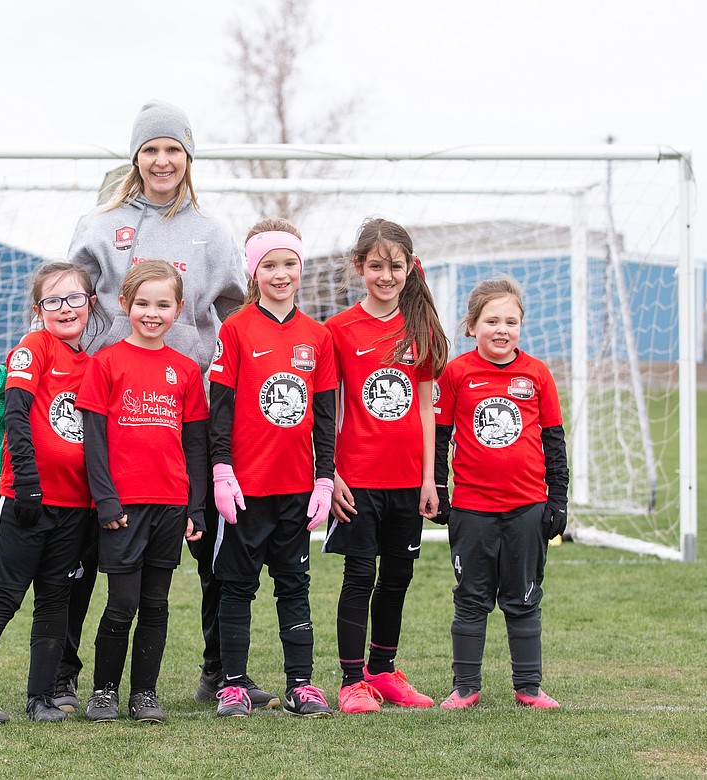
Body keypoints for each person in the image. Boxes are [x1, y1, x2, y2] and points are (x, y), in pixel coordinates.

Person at [60, 99, 275, 713]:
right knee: (87, 544)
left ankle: (220, 671)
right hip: (110, 411)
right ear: (135, 156)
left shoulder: (212, 232)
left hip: (191, 410)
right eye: (150, 149)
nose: (162, 160)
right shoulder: (98, 224)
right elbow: (68, 305)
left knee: (210, 544)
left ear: (188, 158)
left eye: (173, 149)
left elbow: (237, 314)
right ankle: (67, 677)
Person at [0, 263, 96, 725]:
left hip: (74, 506)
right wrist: (27, 481)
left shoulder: (91, 363)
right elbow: (17, 413)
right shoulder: (35, 347)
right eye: (53, 301)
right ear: (38, 310)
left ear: (91, 303)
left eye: (75, 298)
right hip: (29, 501)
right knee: (4, 598)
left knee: (55, 601)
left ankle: (41, 698)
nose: (65, 308)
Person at [208, 219, 338, 718]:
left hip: (297, 491)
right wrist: (222, 471)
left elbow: (325, 416)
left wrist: (323, 478)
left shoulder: (317, 337)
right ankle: (233, 684)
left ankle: (301, 684)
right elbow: (220, 408)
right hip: (246, 489)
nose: (280, 274)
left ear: (300, 269)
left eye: (289, 264)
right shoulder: (236, 330)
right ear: (253, 271)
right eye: (269, 265)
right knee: (237, 586)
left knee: (294, 585)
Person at [323, 217, 448, 713]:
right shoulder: (338, 330)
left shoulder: (420, 328)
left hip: (407, 482)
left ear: (409, 268)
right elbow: (327, 410)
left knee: (398, 577)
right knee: (359, 576)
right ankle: (352, 681)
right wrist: (330, 473)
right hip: (357, 480)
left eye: (395, 266)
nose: (386, 275)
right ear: (359, 267)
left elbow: (424, 406)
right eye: (376, 265)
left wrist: (429, 479)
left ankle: (384, 670)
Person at [76, 260, 209, 724]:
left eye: (163, 304)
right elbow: (93, 441)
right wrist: (106, 499)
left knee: (156, 604)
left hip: (171, 505)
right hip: (123, 508)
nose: (152, 313)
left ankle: (145, 694)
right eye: (143, 304)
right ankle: (104, 692)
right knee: (122, 603)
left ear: (178, 309)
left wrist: (196, 507)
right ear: (125, 304)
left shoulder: (186, 371)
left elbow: (194, 446)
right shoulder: (105, 364)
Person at [432, 274, 567, 710]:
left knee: (524, 598)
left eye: (511, 321)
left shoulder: (537, 373)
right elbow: (439, 437)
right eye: (492, 321)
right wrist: (438, 489)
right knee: (470, 598)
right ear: (472, 326)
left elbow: (553, 441)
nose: (502, 329)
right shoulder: (456, 373)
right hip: (472, 510)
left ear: (521, 326)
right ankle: (465, 687)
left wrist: (558, 500)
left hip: (527, 508)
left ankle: (528, 687)